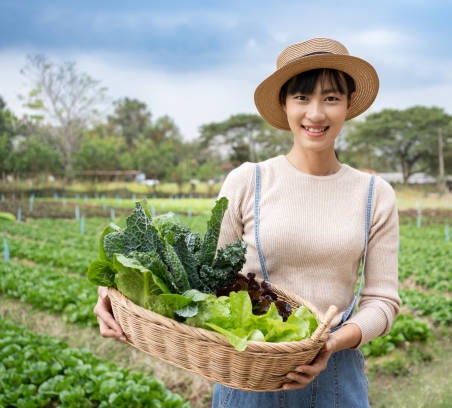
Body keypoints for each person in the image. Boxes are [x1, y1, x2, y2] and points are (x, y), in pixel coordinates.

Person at [94, 37, 400, 408]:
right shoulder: (248, 181)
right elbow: (203, 281)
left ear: (348, 104)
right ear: (285, 104)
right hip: (247, 372)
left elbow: (383, 301)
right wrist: (117, 294)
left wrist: (330, 342)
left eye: (331, 98)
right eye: (302, 98)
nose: (316, 113)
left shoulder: (374, 193)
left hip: (336, 374)